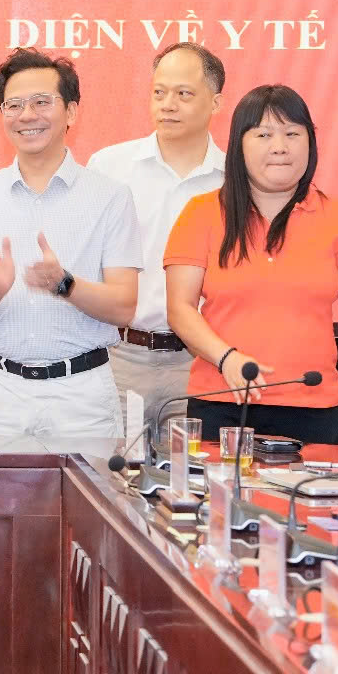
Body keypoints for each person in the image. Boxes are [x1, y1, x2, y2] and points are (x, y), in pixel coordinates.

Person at [163, 85, 338, 445]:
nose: (280, 147)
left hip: (313, 405)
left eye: (292, 134)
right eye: (264, 135)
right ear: (239, 145)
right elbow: (180, 308)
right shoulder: (201, 212)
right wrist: (227, 359)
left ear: (310, 142)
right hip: (222, 401)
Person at [0, 50, 143, 456]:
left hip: (82, 396)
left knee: (86, 500)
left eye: (41, 102)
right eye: (13, 105)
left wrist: (65, 284)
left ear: (71, 111)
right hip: (0, 395)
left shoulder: (110, 197)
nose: (26, 115)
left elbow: (124, 307)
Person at [88, 43, 228, 452]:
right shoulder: (110, 167)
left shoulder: (235, 179)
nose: (168, 104)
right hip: (120, 357)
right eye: (159, 92)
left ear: (215, 102)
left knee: (187, 482)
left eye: (184, 94)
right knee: (110, 480)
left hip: (200, 364)